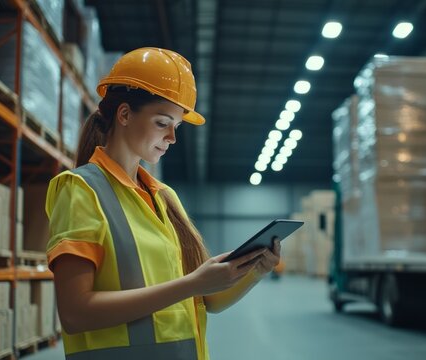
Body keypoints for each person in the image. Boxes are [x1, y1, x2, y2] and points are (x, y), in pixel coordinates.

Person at [45, 47, 281, 360]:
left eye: (177, 127)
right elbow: (75, 314)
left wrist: (253, 272)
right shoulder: (81, 190)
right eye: (162, 123)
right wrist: (190, 284)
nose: (172, 137)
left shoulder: (164, 196)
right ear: (125, 114)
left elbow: (207, 301)